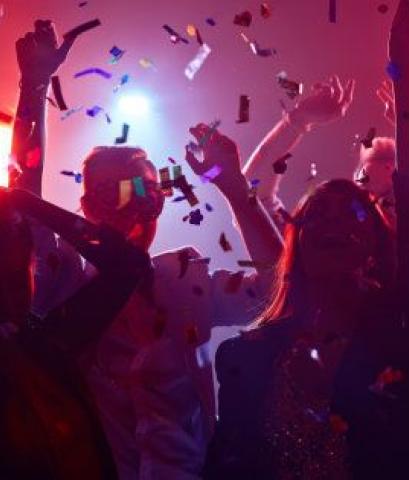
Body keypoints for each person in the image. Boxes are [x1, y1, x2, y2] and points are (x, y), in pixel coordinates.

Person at [12, 20, 283, 479]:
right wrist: (35, 86)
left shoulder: (186, 283)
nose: (134, 207)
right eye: (114, 193)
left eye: (148, 192)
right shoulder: (65, 281)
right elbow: (23, 203)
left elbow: (276, 289)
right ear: (85, 206)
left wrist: (236, 190)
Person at [204, 1, 409, 477]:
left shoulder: (407, 327)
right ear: (297, 242)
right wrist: (294, 122)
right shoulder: (246, 356)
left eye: (353, 215)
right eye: (319, 215)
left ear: (375, 243)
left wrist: (408, 78)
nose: (334, 224)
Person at [0, 187, 150, 480]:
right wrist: (25, 202)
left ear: (34, 265)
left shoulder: (44, 344)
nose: (6, 297)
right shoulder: (44, 344)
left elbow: (129, 265)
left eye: (16, 279)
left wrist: (25, 201)